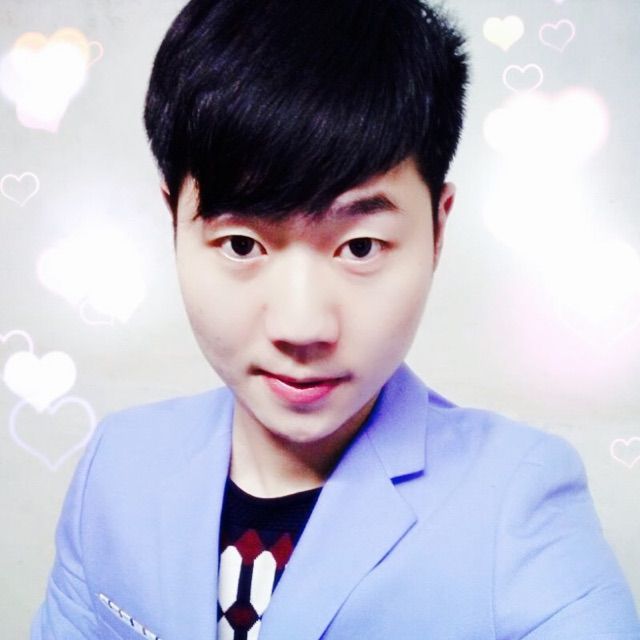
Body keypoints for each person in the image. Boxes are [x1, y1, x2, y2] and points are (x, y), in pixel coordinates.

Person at [32, 0, 640, 638]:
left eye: (360, 247)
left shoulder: (518, 505)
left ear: (437, 231)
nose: (301, 326)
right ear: (174, 223)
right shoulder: (117, 465)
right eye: (241, 244)